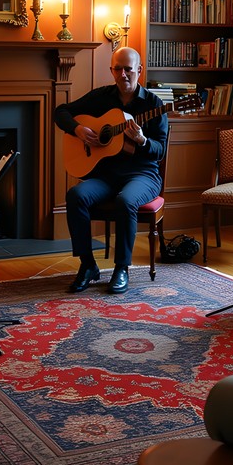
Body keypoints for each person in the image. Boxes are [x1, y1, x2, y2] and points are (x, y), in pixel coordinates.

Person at [55, 46, 168, 295]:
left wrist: (142, 141)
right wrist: (77, 129)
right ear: (111, 70)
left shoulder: (154, 105)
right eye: (118, 69)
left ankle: (121, 268)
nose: (123, 74)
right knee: (76, 195)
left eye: (128, 69)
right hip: (106, 175)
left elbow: (159, 151)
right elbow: (60, 112)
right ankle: (87, 265)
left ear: (139, 70)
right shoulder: (101, 97)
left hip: (143, 174)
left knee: (125, 200)